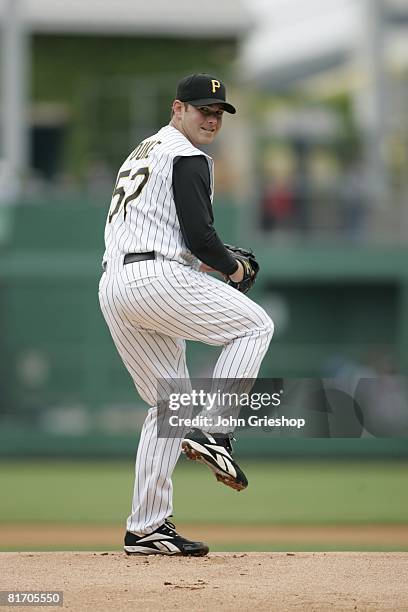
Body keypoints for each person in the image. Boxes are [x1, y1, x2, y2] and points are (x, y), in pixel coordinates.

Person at [98, 73, 274, 557]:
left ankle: (147, 527)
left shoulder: (145, 151)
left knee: (169, 407)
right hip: (153, 279)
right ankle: (217, 430)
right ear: (178, 109)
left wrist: (212, 258)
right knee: (256, 325)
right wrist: (233, 268)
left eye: (218, 112)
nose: (212, 119)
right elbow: (200, 237)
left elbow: (176, 236)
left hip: (116, 284)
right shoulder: (188, 154)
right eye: (203, 110)